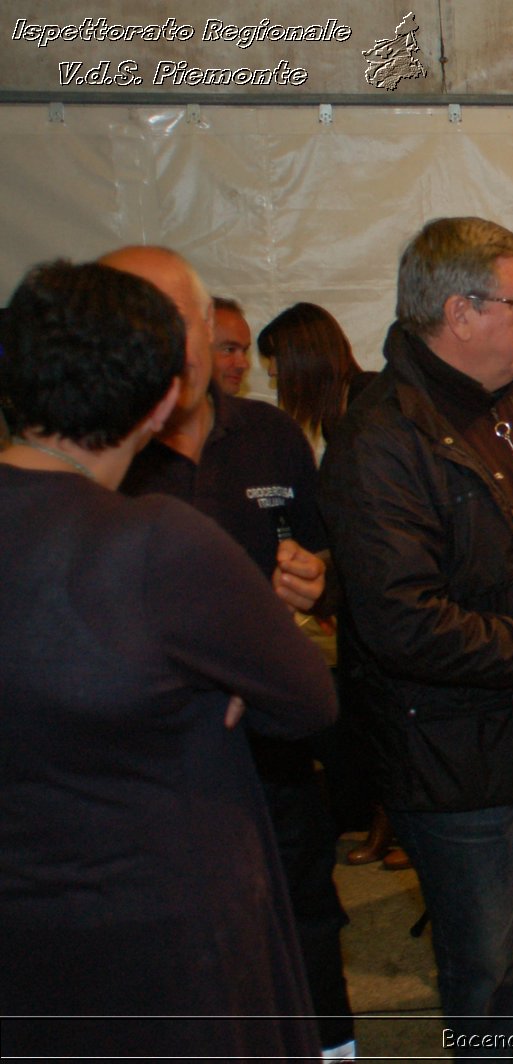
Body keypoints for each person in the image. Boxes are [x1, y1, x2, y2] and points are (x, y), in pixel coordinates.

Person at [0, 260, 337, 1060]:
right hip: (162, 931)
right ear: (160, 405)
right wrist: (220, 675)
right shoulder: (154, 542)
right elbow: (306, 699)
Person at [320, 216, 513, 1058]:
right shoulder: (380, 440)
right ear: (460, 313)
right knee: (487, 969)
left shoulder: (512, 404)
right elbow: (404, 625)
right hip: (455, 763)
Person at [105, 246, 358, 1059]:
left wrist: (319, 583)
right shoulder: (114, 454)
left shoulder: (274, 436)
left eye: (238, 345)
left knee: (305, 914)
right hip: (161, 751)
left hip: (277, 737)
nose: (233, 359)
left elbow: (335, 568)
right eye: (220, 342)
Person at [257, 300, 397, 865]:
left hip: (382, 588)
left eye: (276, 375)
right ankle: (385, 820)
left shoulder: (366, 406)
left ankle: (397, 824)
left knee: (378, 712)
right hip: (361, 585)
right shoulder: (345, 412)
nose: (274, 387)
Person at [259, 301, 379, 459]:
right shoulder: (333, 417)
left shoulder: (371, 398)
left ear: (307, 355)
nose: (271, 371)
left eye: (277, 357)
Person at [212, 295, 254, 396]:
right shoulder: (168, 410)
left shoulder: (261, 411)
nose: (244, 365)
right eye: (229, 350)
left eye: (245, 351)